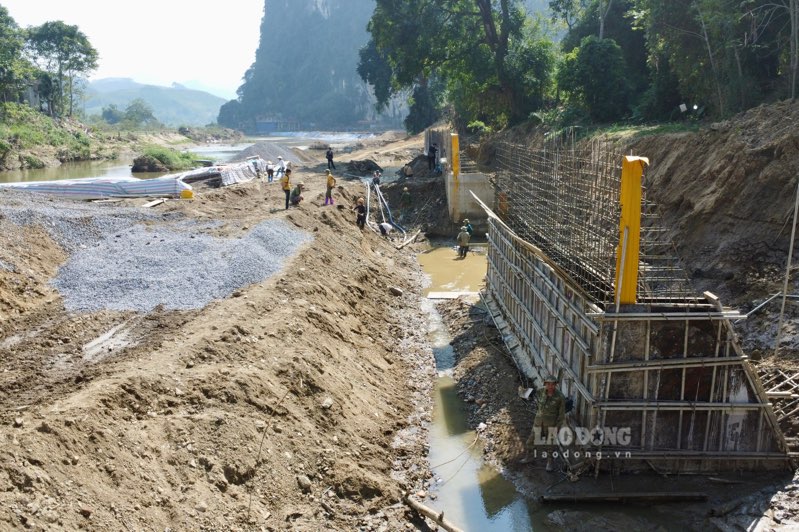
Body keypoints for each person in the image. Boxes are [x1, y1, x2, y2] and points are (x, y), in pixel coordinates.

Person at [521, 374, 566, 472]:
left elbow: (561, 414)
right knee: (530, 440)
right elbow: (524, 394)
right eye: (548, 384)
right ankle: (529, 457)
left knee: (550, 445)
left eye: (552, 384)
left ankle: (549, 463)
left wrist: (558, 427)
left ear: (555, 385)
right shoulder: (540, 392)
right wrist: (523, 391)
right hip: (538, 422)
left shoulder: (560, 397)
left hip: (551, 424)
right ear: (545, 384)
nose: (550, 386)